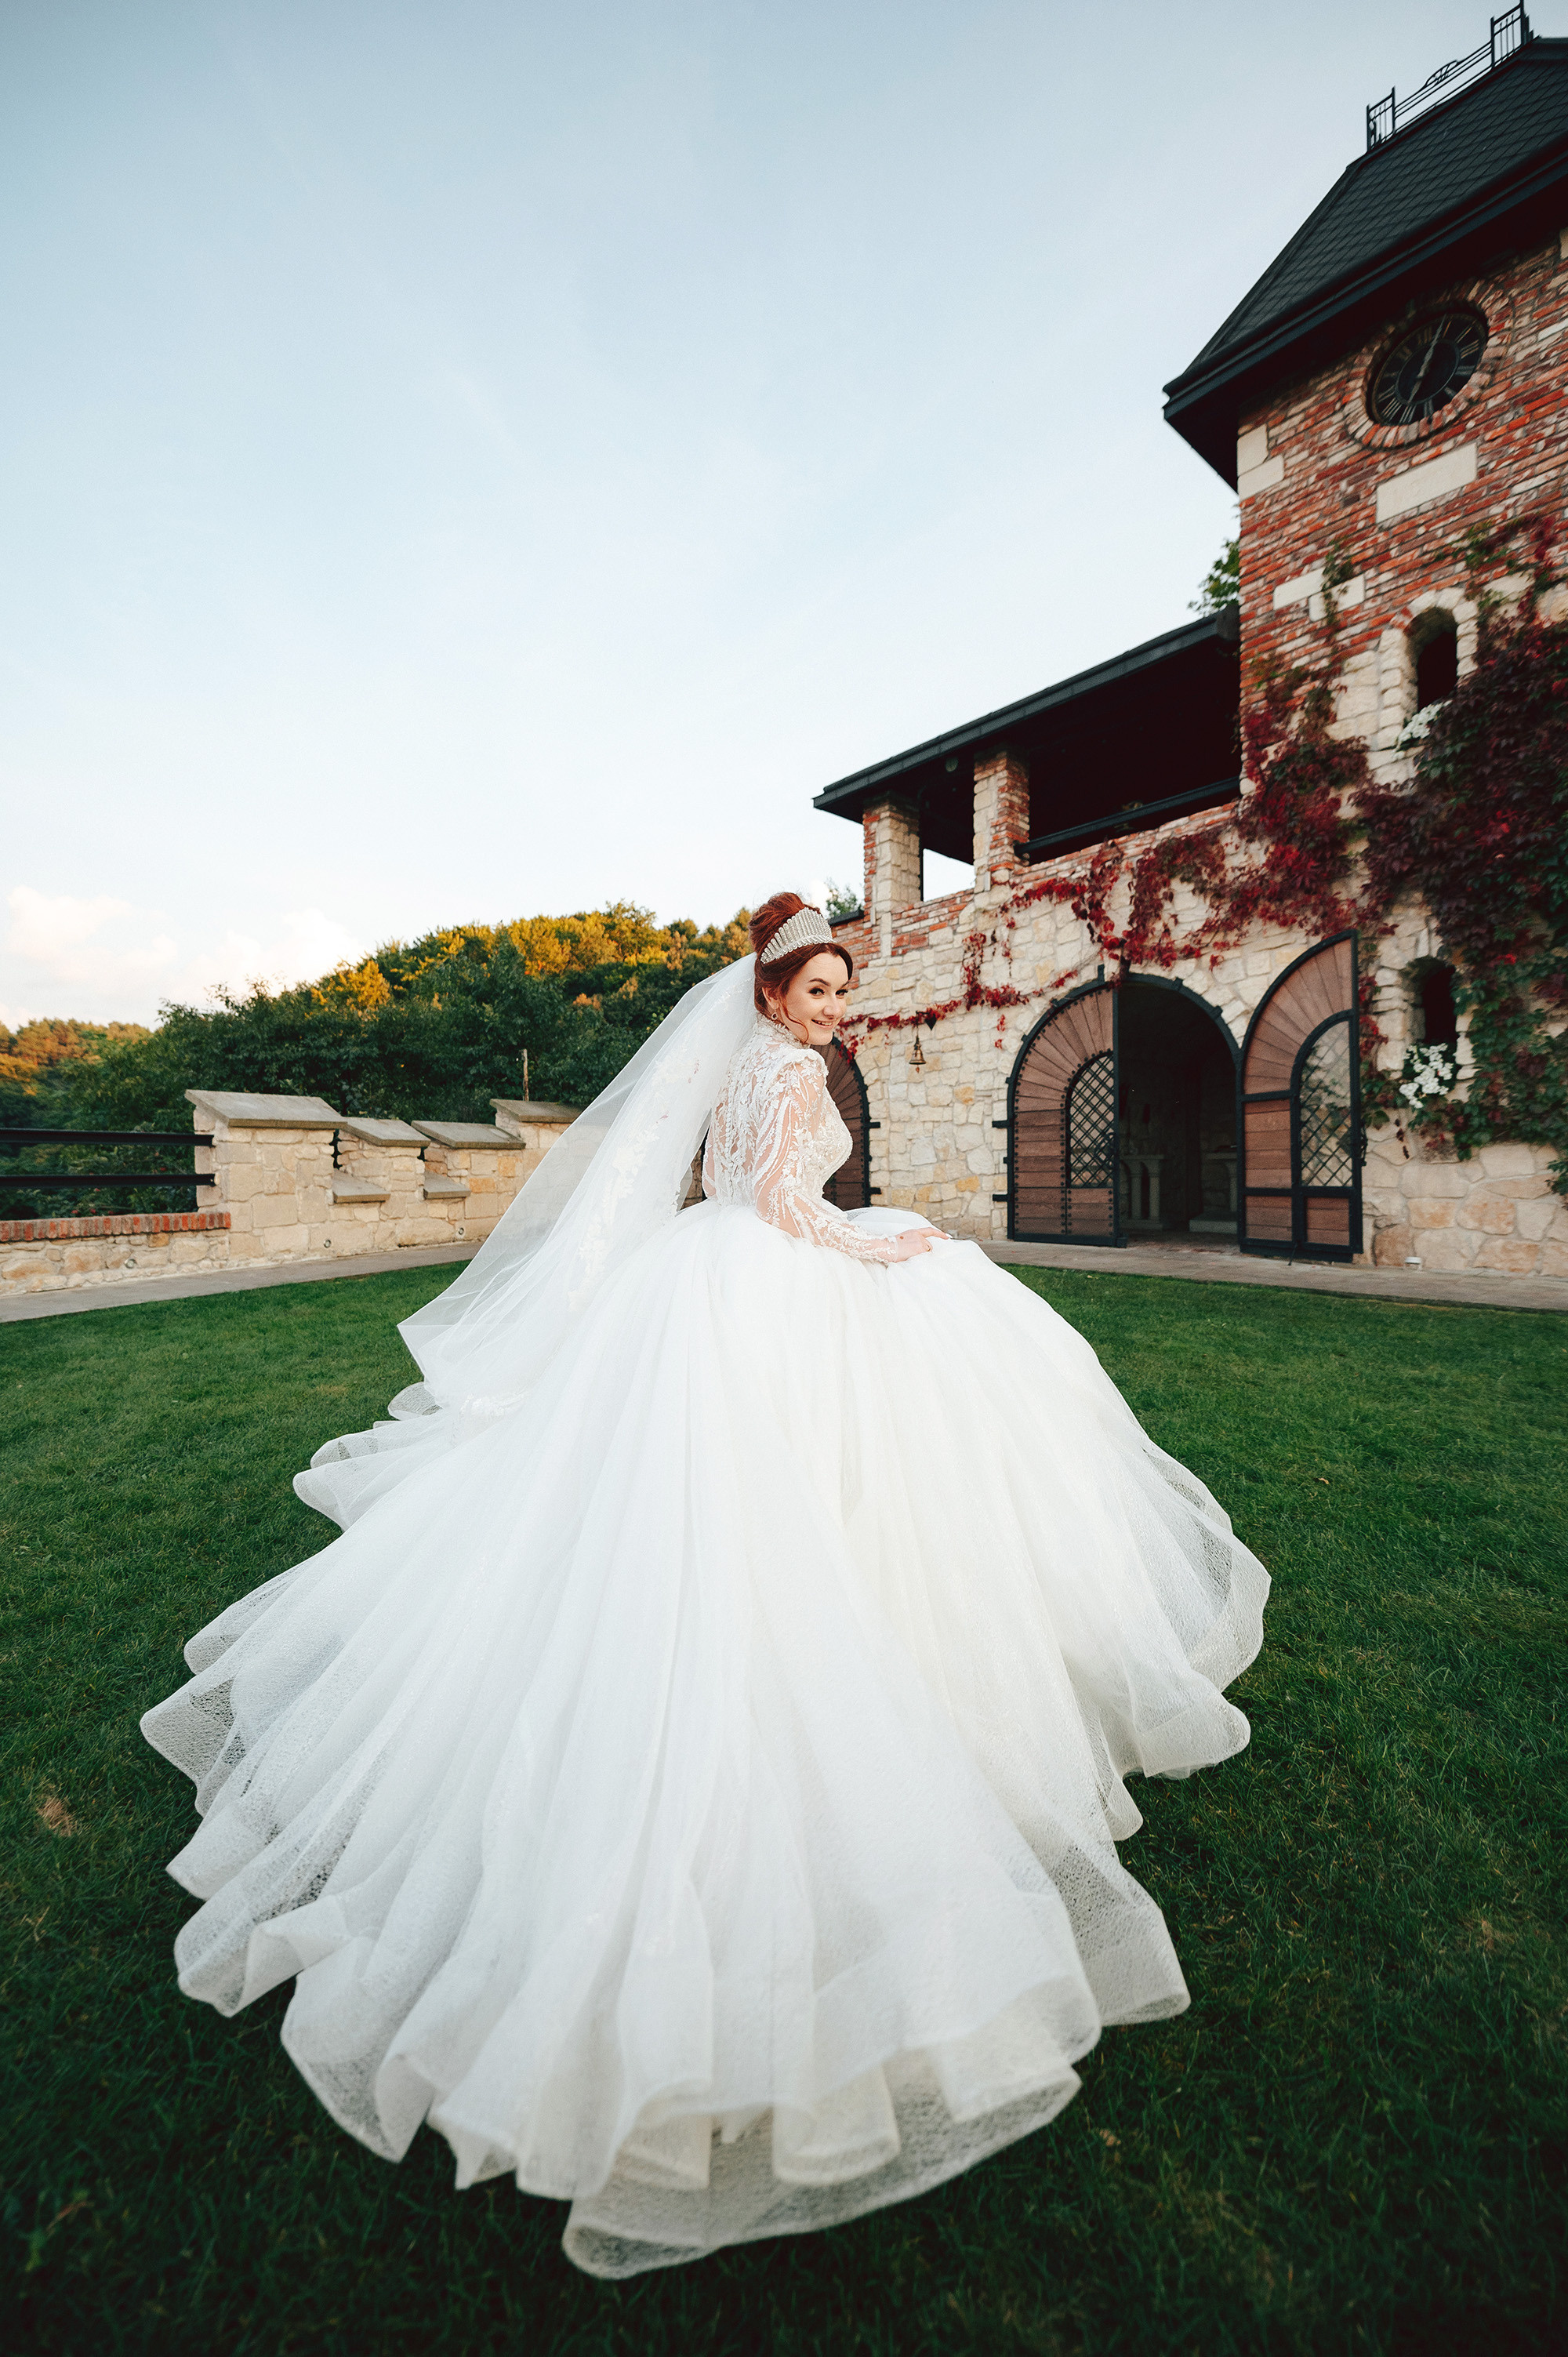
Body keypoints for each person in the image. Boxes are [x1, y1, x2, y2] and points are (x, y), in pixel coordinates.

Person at [143, 892, 1268, 2279]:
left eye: (845, 989)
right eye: (819, 987)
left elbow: (724, 1193)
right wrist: (890, 1240)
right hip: (774, 1281)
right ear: (776, 989)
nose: (836, 1007)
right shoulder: (789, 1073)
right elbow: (796, 1210)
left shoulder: (742, 1069)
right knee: (845, 1461)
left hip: (703, 1279)